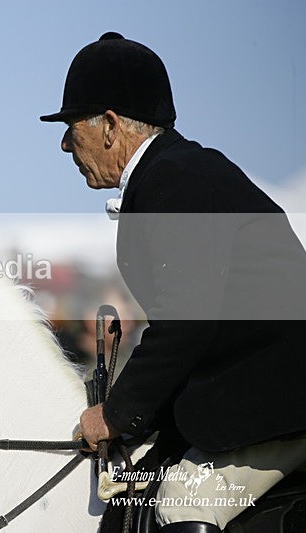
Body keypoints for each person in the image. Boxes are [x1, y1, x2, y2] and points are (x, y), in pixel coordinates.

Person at [40, 32, 306, 532]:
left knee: (185, 504)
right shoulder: (176, 173)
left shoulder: (174, 181)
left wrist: (117, 414)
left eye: (71, 128)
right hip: (258, 387)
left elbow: (187, 323)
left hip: (284, 395)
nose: (64, 144)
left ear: (111, 126)